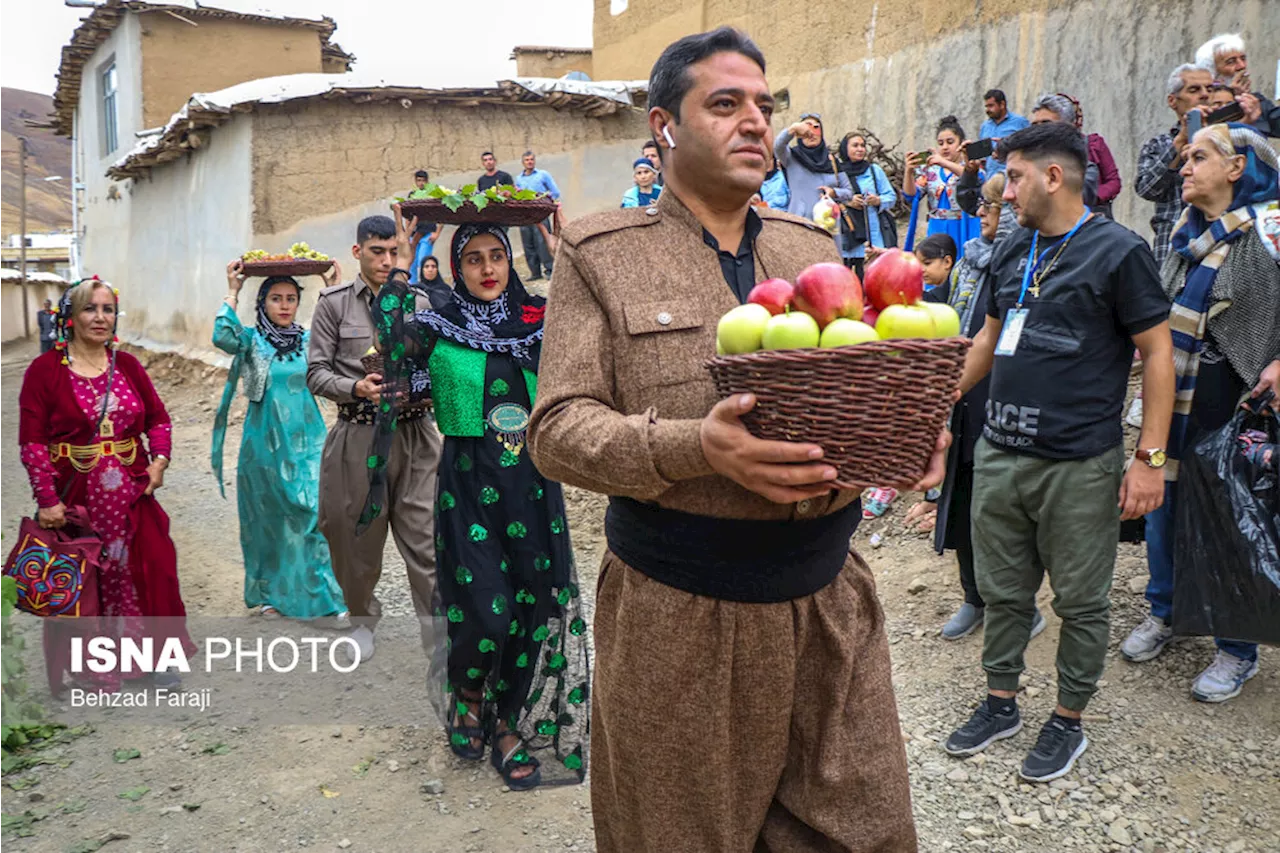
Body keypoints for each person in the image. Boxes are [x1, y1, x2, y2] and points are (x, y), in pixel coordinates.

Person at [529, 27, 947, 851]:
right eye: (725, 103)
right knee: (677, 834)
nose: (755, 120)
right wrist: (696, 447)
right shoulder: (600, 252)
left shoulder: (814, 247)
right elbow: (555, 429)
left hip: (830, 607)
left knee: (865, 831)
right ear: (665, 126)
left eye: (763, 104)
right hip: (677, 620)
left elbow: (865, 387)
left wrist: (909, 438)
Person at [943, 122, 1176, 782]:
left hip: (1078, 464)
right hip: (1000, 455)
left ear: (1053, 176)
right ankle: (1001, 703)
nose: (1004, 190)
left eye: (1014, 177)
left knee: (1081, 602)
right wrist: (937, 406)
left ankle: (1068, 718)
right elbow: (986, 342)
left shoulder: (1118, 252)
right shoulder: (1013, 249)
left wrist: (1149, 460)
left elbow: (1157, 354)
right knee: (1003, 592)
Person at [362, 205, 590, 790]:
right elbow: (390, 340)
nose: (487, 268)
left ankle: (508, 723)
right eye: (472, 259)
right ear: (456, 268)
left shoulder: (538, 319)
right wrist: (404, 263)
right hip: (469, 493)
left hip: (535, 490)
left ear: (510, 261)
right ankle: (467, 691)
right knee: (489, 612)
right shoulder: (437, 325)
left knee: (536, 611)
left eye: (497, 256)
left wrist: (568, 251)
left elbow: (588, 331)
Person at [1120, 124, 1280, 703]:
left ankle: (1237, 649)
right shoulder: (1189, 236)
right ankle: (1165, 610)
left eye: (1199, 157)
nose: (1184, 168)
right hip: (1172, 403)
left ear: (1237, 168)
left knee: (1226, 518)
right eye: (1186, 158)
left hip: (1229, 405)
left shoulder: (1268, 232)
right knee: (1161, 501)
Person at [19, 278, 193, 694]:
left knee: (152, 567)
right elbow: (32, 442)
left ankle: (156, 660)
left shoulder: (128, 365)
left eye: (108, 309)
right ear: (70, 317)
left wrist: (160, 462)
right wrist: (46, 499)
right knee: (88, 579)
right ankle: (97, 666)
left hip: (133, 493)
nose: (100, 318)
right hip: (77, 497)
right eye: (89, 309)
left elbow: (159, 419)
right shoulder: (44, 372)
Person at [913, 173, 1048, 641]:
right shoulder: (973, 261)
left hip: (1007, 399)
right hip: (967, 396)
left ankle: (1019, 605)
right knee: (965, 501)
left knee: (1004, 512)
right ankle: (974, 597)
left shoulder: (1031, 263)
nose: (984, 215)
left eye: (991, 208)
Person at [307, 215, 443, 661]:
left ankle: (441, 643)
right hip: (359, 434)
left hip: (416, 435)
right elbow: (316, 373)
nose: (386, 261)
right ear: (357, 253)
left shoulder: (419, 301)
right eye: (376, 252)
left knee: (428, 539)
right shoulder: (333, 304)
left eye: (392, 251)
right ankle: (362, 618)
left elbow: (438, 362)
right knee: (354, 539)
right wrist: (355, 387)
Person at [212, 262, 347, 623]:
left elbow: (342, 332)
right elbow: (221, 335)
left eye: (290, 298)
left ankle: (324, 596)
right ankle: (272, 593)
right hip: (265, 446)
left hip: (309, 442)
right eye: (276, 299)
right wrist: (232, 289)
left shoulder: (308, 340)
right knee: (269, 520)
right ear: (263, 303)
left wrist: (332, 286)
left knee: (315, 513)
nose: (285, 305)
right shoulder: (250, 340)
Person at [1136, 64, 1213, 266]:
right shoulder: (1158, 144)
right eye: (1194, 90)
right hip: (1171, 245)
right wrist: (1179, 144)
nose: (1205, 95)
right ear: (1173, 101)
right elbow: (1147, 189)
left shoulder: (1231, 140)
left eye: (1210, 89)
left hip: (1218, 239)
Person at [903, 115, 982, 260]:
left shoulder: (971, 166)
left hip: (963, 226)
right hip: (936, 226)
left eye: (950, 142)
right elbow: (911, 195)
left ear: (961, 144)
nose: (945, 147)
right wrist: (908, 171)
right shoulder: (930, 170)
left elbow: (975, 179)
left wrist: (943, 163)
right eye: (941, 143)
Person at [1031, 93, 1119, 217]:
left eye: (1046, 123)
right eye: (1035, 125)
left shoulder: (1092, 145)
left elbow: (1113, 181)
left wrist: (1092, 196)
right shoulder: (1032, 154)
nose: (1039, 129)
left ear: (1067, 124)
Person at [835, 131, 897, 278]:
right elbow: (828, 199)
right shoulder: (837, 174)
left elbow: (891, 196)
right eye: (855, 145)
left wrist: (878, 200)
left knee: (876, 280)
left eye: (863, 145)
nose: (860, 149)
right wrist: (848, 202)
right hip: (847, 239)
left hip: (874, 238)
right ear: (845, 149)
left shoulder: (874, 171)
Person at [773, 112, 853, 225]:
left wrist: (834, 192)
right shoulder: (791, 157)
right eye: (807, 127)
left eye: (816, 127)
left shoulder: (831, 160)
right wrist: (792, 129)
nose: (811, 133)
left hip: (829, 225)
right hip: (800, 224)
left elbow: (849, 192)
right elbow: (778, 146)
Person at [1195, 33, 1280, 136]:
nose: (1241, 66)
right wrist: (1233, 101)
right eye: (1231, 62)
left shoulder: (1255, 100)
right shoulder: (1202, 103)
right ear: (1214, 72)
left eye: (1243, 59)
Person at [514, 151, 560, 282]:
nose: (530, 162)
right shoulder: (519, 179)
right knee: (528, 244)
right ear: (523, 162)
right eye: (527, 160)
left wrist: (546, 202)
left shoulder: (542, 175)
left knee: (542, 242)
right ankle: (535, 272)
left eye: (531, 159)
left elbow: (555, 192)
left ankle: (550, 270)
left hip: (539, 214)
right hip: (524, 215)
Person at [406, 170, 444, 286]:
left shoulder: (432, 195)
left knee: (424, 262)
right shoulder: (412, 195)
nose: (421, 183)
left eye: (423, 180)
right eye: (418, 180)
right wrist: (406, 235)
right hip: (414, 235)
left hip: (427, 234)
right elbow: (407, 216)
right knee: (412, 262)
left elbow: (442, 215)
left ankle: (426, 287)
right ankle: (412, 287)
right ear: (415, 181)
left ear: (427, 181)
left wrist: (437, 233)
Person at [979, 89, 1030, 173]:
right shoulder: (985, 126)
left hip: (1012, 176)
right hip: (990, 178)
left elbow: (1029, 148)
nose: (988, 110)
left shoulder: (1020, 122)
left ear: (1002, 104)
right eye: (986, 106)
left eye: (991, 106)